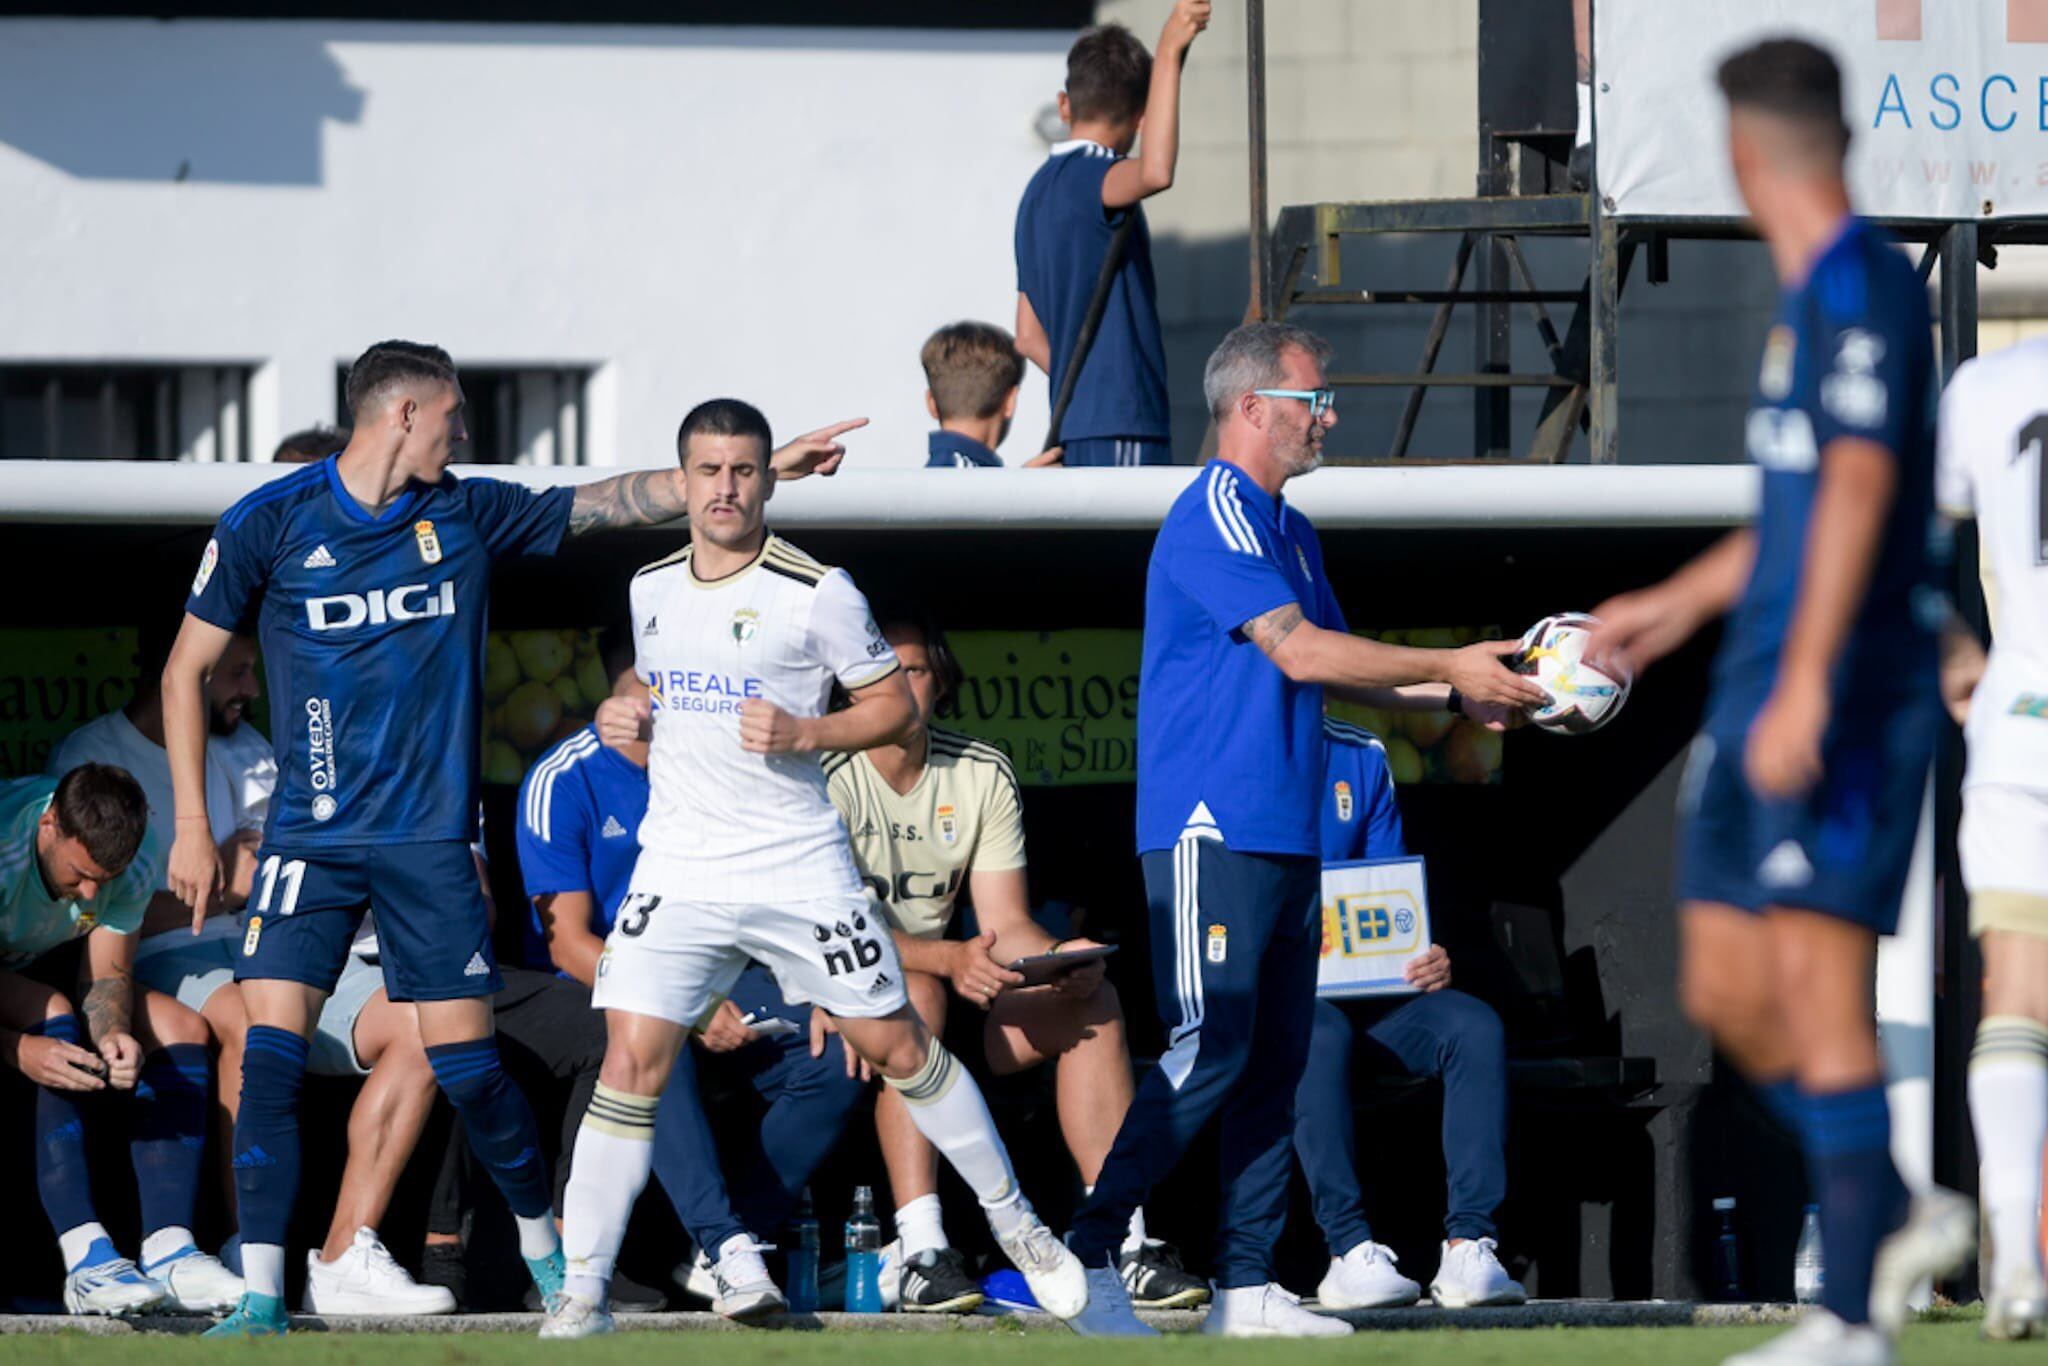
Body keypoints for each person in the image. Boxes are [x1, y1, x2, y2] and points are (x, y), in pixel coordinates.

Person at [160, 339, 862, 1336]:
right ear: (402, 414)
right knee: (269, 1054)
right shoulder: (268, 519)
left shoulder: (464, 509)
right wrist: (193, 823)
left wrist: (739, 481)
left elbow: (597, 501)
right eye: (452, 412)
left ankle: (540, 1244)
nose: (463, 430)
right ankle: (267, 1291)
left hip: (427, 846)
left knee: (470, 1070)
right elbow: (184, 670)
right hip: (309, 844)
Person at [1584, 40, 1972, 1366]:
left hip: (1844, 699)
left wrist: (1806, 677)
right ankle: (1889, 1196)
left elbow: (1864, 489)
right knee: (1724, 980)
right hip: (1763, 689)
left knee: (1814, 988)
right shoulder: (1805, 300)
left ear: (1747, 155)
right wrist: (1674, 605)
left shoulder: (1863, 282)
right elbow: (1799, 507)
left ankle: (1853, 1310)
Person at [541, 398, 1084, 1338]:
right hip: (682, 868)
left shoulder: (819, 589)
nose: (724, 489)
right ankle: (581, 1290)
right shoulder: (651, 589)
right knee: (630, 1062)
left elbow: (892, 710)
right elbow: (665, 703)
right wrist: (625, 717)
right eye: (707, 471)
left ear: (766, 479)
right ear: (684, 478)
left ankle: (1020, 1225)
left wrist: (808, 730)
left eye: (743, 471)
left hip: (795, 861)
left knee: (897, 1047)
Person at [1062, 320, 1544, 1338]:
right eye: (1310, 399)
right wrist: (1450, 663)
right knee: (1211, 1047)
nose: (1325, 417)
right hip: (1212, 829)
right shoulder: (1215, 512)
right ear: (1249, 408)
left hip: (1283, 835)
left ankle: (1245, 1290)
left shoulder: (1290, 528)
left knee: (1272, 1061)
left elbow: (1340, 666)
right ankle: (1089, 1258)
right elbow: (1300, 653)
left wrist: (1459, 696)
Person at [50, 625, 454, 1316]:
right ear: (189, 673)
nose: (252, 690)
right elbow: (84, 917)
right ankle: (249, 1252)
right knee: (249, 1015)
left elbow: (285, 875)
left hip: (279, 945)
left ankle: (343, 1255)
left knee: (425, 1025)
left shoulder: (254, 751)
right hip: (173, 959)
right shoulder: (95, 755)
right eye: (237, 672)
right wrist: (225, 887)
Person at [824, 610, 1205, 1313]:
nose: (898, 686)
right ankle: (922, 1250)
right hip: (860, 988)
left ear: (940, 682)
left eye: (913, 670)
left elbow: (1005, 923)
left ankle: (1118, 1241)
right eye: (880, 671)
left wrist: (1061, 957)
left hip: (962, 979)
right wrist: (942, 958)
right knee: (916, 993)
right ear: (851, 689)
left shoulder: (978, 768)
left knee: (1090, 1000)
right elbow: (823, 921)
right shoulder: (824, 772)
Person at [515, 625, 860, 1319]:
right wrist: (691, 1003)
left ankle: (731, 1243)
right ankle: (726, 1242)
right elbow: (569, 943)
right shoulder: (565, 775)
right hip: (598, 984)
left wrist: (824, 987)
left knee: (835, 1053)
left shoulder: (720, 765)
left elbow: (781, 895)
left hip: (720, 971)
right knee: (651, 1025)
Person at [1292, 716, 1524, 1310]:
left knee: (1472, 1025)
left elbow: (1383, 892)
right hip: (1284, 1002)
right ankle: (1347, 1249)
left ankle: (1470, 1246)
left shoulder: (1360, 753)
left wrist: (1419, 954)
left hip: (1368, 1000)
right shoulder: (1223, 751)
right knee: (1315, 1035)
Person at [0, 764, 240, 1316]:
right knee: (51, 1009)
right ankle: (86, 1260)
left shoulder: (127, 857)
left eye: (103, 882)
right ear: (50, 825)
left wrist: (113, 1033)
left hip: (41, 964)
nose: (88, 895)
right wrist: (16, 1049)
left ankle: (170, 1253)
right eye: (80, 874)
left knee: (180, 1028)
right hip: (20, 984)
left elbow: (105, 976)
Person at [1933, 337, 2048, 1340]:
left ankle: (2014, 1257)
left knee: (2012, 992)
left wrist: (1952, 649)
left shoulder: (1989, 382)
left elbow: (1900, 540)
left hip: (2021, 725)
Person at [1013, 2, 1208, 468]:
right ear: (1143, 117)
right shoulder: (1095, 176)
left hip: (1077, 420)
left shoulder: (1036, 193)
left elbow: (1026, 335)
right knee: (1134, 542)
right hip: (1124, 418)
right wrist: (1169, 51)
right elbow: (1156, 172)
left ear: (1065, 104)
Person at [920, 322, 1056, 470]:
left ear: (931, 403)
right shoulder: (957, 472)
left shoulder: (947, 471)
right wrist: (1021, 488)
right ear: (1010, 401)